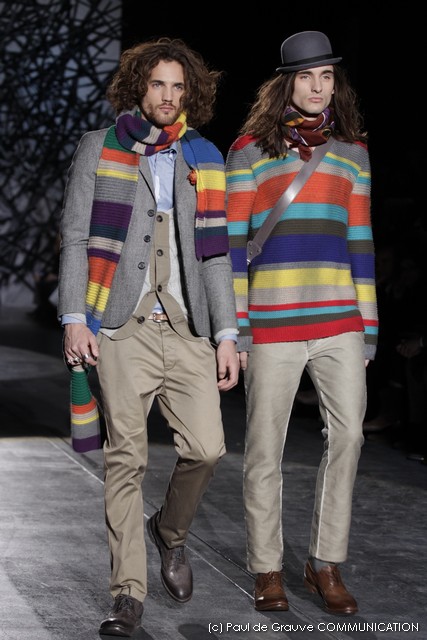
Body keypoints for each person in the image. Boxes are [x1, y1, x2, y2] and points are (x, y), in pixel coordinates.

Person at [58, 37, 239, 637]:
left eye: (178, 86)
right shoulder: (99, 147)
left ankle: (169, 532)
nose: (168, 95)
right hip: (121, 326)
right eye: (158, 83)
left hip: (187, 330)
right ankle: (127, 593)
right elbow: (76, 236)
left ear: (191, 93)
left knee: (207, 448)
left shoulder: (203, 156)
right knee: (126, 458)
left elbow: (216, 255)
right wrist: (74, 316)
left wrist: (227, 333)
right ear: (139, 85)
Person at [225, 31, 378, 615]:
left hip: (339, 319)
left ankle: (325, 562)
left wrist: (368, 326)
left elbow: (360, 242)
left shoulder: (353, 153)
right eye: (307, 76)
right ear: (286, 83)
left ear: (336, 85)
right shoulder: (249, 151)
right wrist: (237, 329)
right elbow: (233, 249)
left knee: (351, 436)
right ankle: (267, 567)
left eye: (327, 76)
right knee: (265, 448)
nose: (318, 87)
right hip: (271, 324)